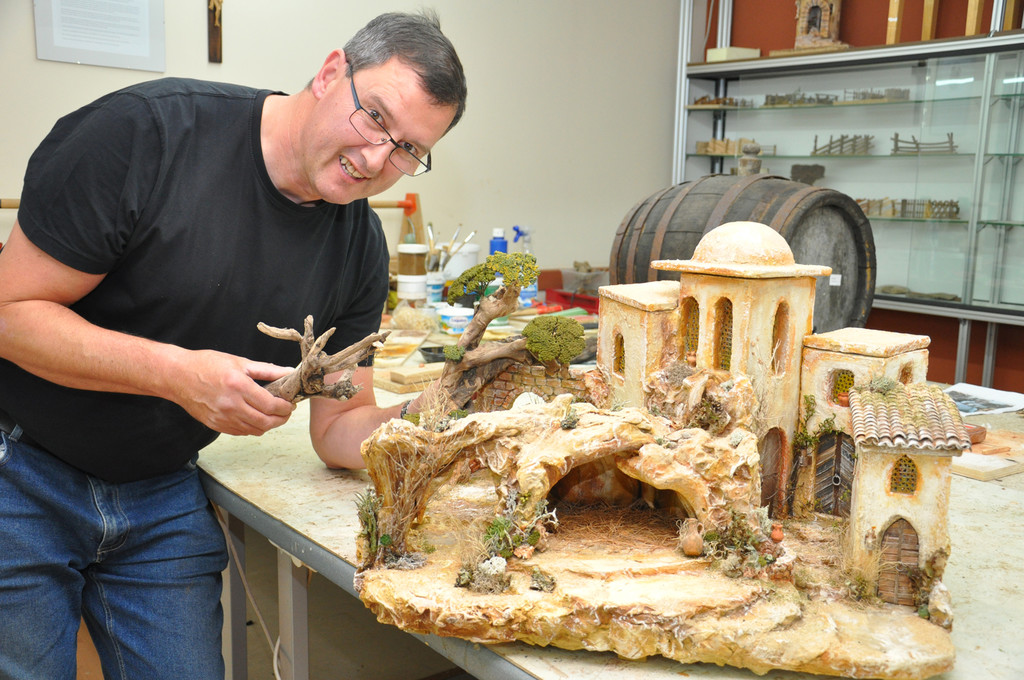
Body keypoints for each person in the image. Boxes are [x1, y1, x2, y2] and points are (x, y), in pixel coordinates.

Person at [0, 10, 466, 679]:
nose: (375, 159)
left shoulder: (360, 247)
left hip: (158, 487)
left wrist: (439, 411)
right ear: (330, 72)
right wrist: (178, 376)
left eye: (407, 150)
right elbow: (10, 315)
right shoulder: (145, 134)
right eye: (373, 117)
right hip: (22, 468)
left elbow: (340, 430)